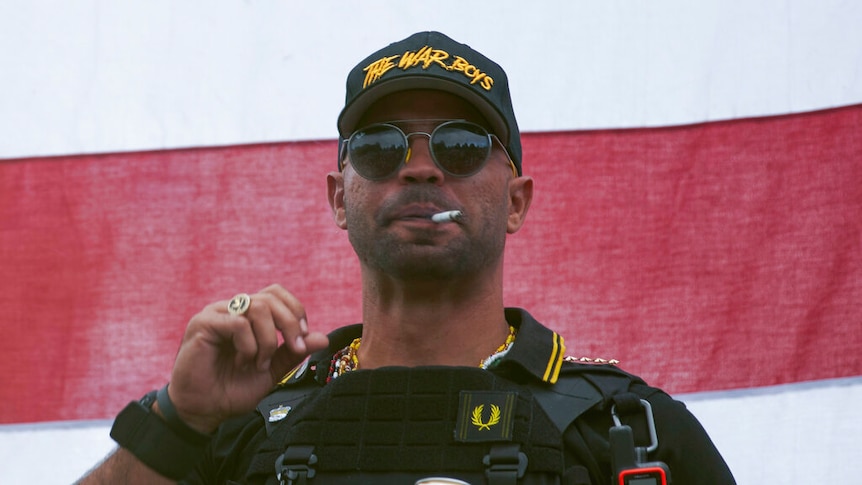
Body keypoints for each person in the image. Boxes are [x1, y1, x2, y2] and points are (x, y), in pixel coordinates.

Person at [79, 31, 735, 484]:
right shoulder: (236, 427)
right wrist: (179, 419)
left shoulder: (630, 429)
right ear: (340, 197)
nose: (420, 168)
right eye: (380, 146)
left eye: (460, 145)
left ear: (516, 200)